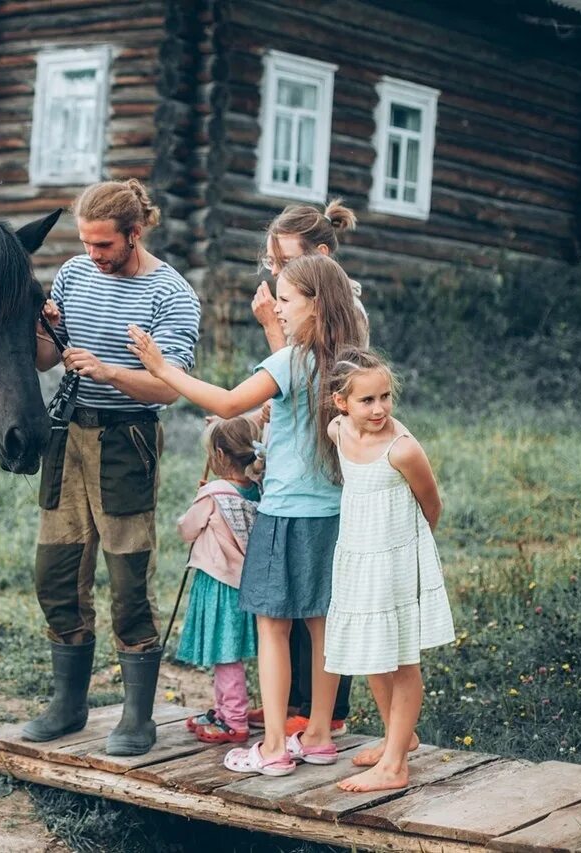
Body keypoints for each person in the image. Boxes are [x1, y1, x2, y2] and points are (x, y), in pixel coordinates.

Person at [127, 254, 364, 776]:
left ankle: (276, 748)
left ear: (314, 304)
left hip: (284, 516)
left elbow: (230, 404)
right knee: (321, 626)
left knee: (273, 628)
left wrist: (164, 369)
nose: (276, 310)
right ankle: (320, 737)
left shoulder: (291, 362)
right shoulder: (349, 361)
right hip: (333, 516)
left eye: (284, 300)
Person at [22, 179, 201, 757]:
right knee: (56, 570)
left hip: (128, 440)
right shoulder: (75, 275)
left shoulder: (171, 294)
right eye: (86, 243)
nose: (93, 255)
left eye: (103, 245)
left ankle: (136, 717)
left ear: (135, 232)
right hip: (68, 434)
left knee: (128, 580)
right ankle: (68, 704)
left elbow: (170, 388)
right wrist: (40, 325)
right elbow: (48, 357)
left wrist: (109, 371)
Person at [246, 199, 363, 738]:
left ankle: (322, 715)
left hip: (314, 485)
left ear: (318, 258)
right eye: (271, 264)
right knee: (300, 606)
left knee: (313, 607)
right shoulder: (307, 300)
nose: (275, 275)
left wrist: (274, 329)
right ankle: (301, 711)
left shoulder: (345, 310)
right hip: (299, 474)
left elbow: (313, 375)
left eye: (283, 262)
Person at [324, 348, 455, 792]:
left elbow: (431, 505)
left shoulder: (403, 449)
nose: (379, 408)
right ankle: (400, 736)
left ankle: (396, 764)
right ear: (341, 403)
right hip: (359, 559)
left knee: (401, 662)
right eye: (367, 400)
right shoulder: (337, 431)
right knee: (371, 652)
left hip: (396, 561)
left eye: (385, 397)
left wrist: (405, 553)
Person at [176, 416, 264, 744]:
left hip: (217, 583)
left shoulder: (213, 493)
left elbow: (187, 530)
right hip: (244, 583)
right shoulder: (257, 489)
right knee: (226, 652)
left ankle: (235, 719)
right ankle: (222, 710)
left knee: (225, 655)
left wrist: (199, 500)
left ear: (220, 456)